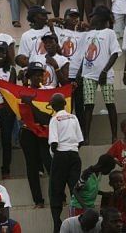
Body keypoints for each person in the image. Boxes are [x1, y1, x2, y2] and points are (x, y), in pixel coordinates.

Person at [80, 6, 121, 144]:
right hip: (88, 74)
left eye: (93, 16)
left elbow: (115, 53)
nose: (91, 18)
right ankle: (86, 137)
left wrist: (104, 71)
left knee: (110, 103)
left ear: (101, 18)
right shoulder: (88, 34)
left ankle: (114, 136)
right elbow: (84, 55)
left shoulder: (109, 33)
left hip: (105, 75)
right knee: (88, 105)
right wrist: (81, 72)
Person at [48, 93, 84, 233]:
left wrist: (55, 157)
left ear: (53, 106)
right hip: (74, 156)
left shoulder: (54, 119)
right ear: (64, 104)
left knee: (55, 190)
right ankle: (81, 218)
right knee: (75, 188)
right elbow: (80, 141)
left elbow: (54, 143)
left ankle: (57, 224)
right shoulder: (73, 117)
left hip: (60, 156)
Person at [19, 62, 52, 208]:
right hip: (27, 132)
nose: (38, 77)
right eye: (35, 74)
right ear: (29, 76)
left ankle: (59, 196)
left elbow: (47, 117)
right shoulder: (21, 92)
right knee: (31, 166)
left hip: (44, 131)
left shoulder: (48, 91)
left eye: (40, 74)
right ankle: (38, 200)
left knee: (49, 163)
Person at [0, 41, 17, 180]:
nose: (0, 55)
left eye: (3, 52)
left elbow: (10, 89)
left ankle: (6, 170)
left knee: (6, 141)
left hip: (6, 110)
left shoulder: (11, 69)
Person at [57, 8, 87, 133]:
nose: (74, 19)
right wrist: (56, 20)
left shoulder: (82, 34)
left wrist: (79, 77)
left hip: (77, 75)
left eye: (76, 17)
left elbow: (85, 57)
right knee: (65, 106)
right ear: (65, 17)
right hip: (63, 75)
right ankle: (66, 132)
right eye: (71, 16)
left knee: (80, 107)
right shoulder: (59, 31)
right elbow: (48, 24)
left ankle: (81, 134)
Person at [15, 5, 56, 70]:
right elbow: (23, 58)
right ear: (34, 17)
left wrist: (52, 29)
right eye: (43, 15)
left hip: (53, 69)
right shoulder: (26, 35)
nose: (46, 18)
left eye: (46, 15)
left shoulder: (51, 30)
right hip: (35, 72)